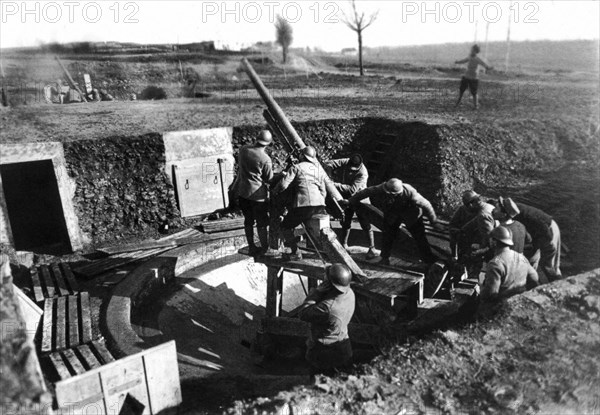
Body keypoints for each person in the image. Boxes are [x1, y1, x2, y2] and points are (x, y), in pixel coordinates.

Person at [347, 178, 442, 265]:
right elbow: (366, 192)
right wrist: (350, 200)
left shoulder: (411, 194)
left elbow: (427, 205)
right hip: (394, 213)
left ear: (396, 193)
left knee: (419, 238)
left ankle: (429, 261)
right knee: (387, 234)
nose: (387, 194)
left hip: (411, 215)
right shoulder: (384, 187)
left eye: (390, 194)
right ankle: (384, 258)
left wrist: (434, 222)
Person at [272, 146, 328, 260]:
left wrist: (274, 191)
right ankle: (323, 253)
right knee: (315, 229)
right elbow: (323, 191)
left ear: (302, 156)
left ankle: (295, 252)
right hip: (320, 205)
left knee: (285, 226)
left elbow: (283, 185)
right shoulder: (318, 170)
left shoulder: (296, 167)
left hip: (304, 205)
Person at [298, 263, 355, 373]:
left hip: (324, 354)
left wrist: (316, 293)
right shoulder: (349, 293)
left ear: (330, 284)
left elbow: (303, 313)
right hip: (344, 348)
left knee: (319, 385)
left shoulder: (328, 307)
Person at [324, 154, 376, 259]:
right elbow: (328, 163)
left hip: (360, 199)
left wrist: (333, 184)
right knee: (345, 221)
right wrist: (329, 175)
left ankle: (372, 248)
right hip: (347, 199)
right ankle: (344, 245)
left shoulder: (363, 173)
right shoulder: (346, 161)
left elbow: (352, 190)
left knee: (365, 224)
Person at [236, 130, 274, 256]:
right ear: (267, 144)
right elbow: (269, 179)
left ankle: (251, 246)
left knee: (248, 221)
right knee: (262, 223)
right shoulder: (265, 159)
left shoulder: (243, 150)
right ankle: (265, 248)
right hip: (258, 196)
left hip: (243, 192)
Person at [480, 226, 539, 306]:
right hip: (520, 303)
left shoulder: (495, 263)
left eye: (491, 239)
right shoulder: (521, 257)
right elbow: (534, 278)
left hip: (502, 307)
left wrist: (480, 289)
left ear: (494, 242)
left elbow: (491, 294)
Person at [510, 198, 562, 282]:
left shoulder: (520, 215)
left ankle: (557, 285)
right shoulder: (513, 208)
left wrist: (547, 247)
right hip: (543, 230)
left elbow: (543, 231)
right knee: (534, 259)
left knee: (548, 265)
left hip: (548, 230)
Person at [454, 44, 493, 109]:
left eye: (473, 50)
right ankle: (458, 102)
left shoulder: (478, 59)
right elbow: (463, 61)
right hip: (466, 76)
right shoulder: (469, 57)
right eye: (471, 50)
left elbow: (484, 64)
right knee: (461, 90)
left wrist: (488, 68)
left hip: (474, 78)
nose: (471, 51)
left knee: (474, 92)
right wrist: (457, 62)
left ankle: (475, 106)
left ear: (476, 51)